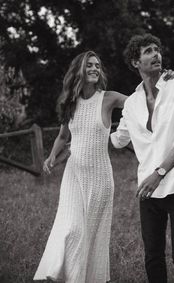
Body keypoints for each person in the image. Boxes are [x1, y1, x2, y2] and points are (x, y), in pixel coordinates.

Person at [111, 34, 174, 283]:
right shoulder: (132, 104)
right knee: (152, 254)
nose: (156, 54)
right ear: (135, 62)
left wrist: (158, 173)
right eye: (148, 51)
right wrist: (87, 131)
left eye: (157, 49)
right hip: (148, 191)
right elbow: (119, 140)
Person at [33, 50, 127, 283]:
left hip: (100, 179)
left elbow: (140, 105)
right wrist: (51, 157)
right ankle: (55, 272)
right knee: (70, 228)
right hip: (73, 176)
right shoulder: (71, 104)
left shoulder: (109, 98)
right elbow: (63, 137)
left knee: (89, 236)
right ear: (80, 71)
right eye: (89, 65)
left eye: (97, 65)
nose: (95, 68)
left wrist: (162, 85)